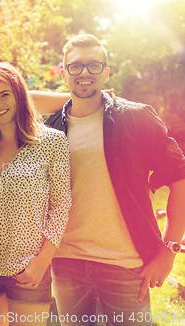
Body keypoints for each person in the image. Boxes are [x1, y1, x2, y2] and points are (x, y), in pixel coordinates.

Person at [45, 34, 185, 325]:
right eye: (76, 66)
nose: (84, 72)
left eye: (94, 65)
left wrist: (169, 250)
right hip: (66, 263)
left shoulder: (136, 118)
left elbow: (179, 178)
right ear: (63, 72)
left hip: (125, 265)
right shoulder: (49, 130)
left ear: (106, 72)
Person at [0, 62, 71, 326]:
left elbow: (61, 205)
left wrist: (42, 261)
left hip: (28, 266)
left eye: (4, 94)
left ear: (19, 94)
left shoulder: (52, 142)